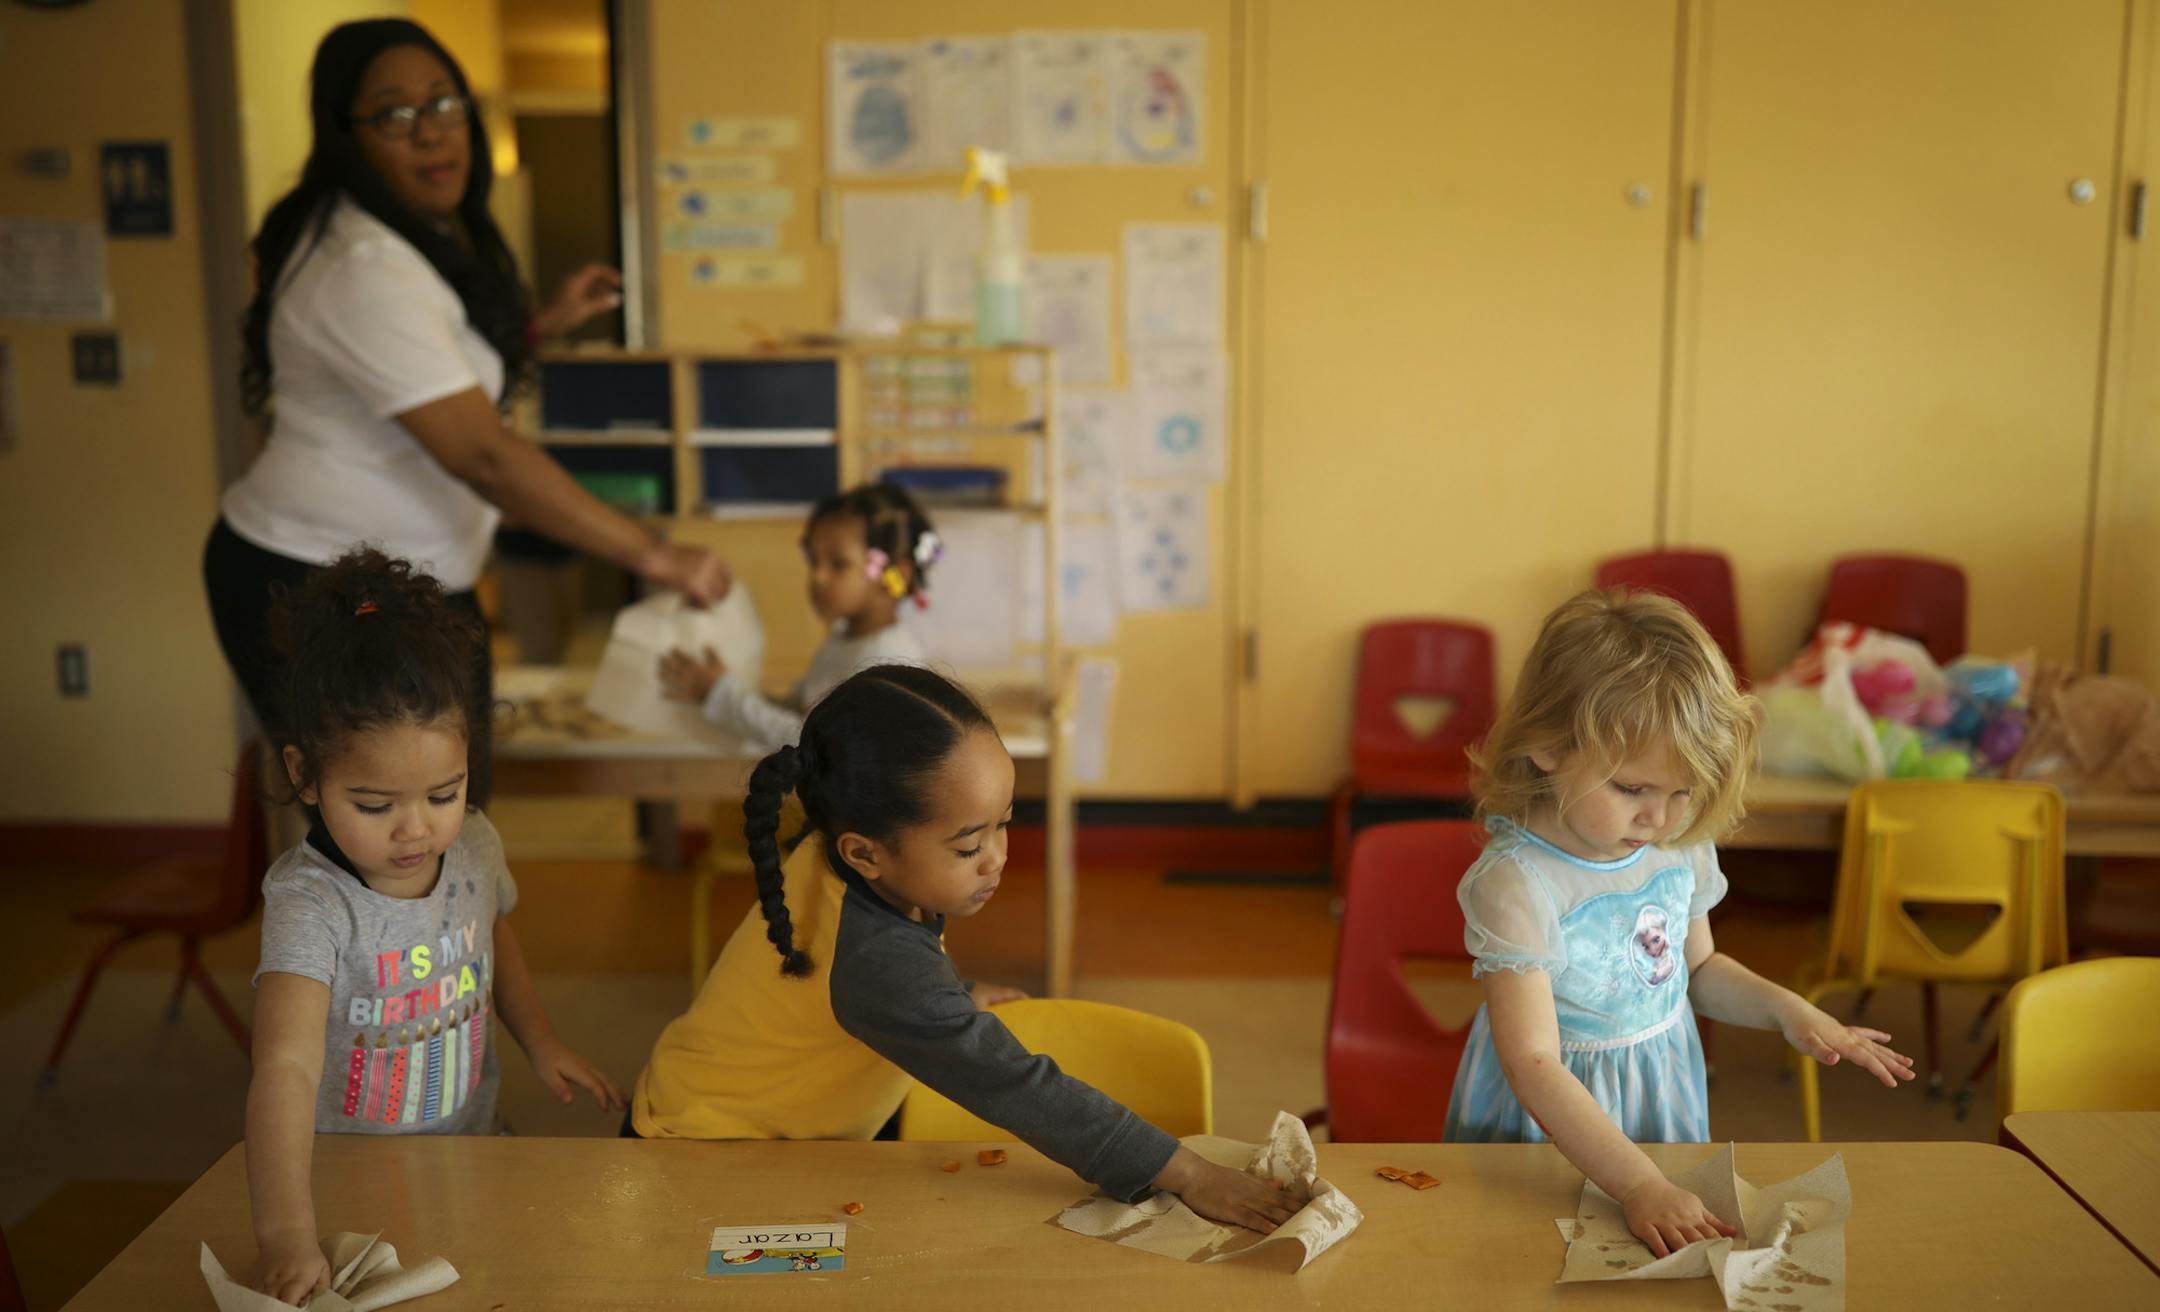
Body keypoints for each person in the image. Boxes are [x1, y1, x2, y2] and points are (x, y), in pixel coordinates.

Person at [203, 18, 727, 778]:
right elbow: (483, 454)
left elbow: (425, 370)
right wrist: (655, 555)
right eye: (395, 113)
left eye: (444, 104)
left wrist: (540, 324)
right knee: (392, 833)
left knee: (445, 818)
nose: (430, 133)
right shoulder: (363, 266)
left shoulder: (408, 240)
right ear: (349, 135)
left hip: (410, 583)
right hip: (316, 585)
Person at [629, 665, 1296, 1235]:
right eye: (969, 845)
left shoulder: (841, 843)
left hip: (748, 1116)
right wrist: (1188, 1172)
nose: (998, 860)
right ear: (865, 852)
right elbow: (1016, 1085)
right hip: (710, 1154)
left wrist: (951, 995)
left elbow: (870, 986)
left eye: (1004, 825)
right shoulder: (878, 963)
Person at [1441, 589, 1916, 1256]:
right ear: (1548, 745)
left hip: (1659, 1087)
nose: (1659, 819)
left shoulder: (1677, 841)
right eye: (1632, 790)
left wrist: (1789, 1011)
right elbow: (1532, 1060)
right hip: (1551, 1118)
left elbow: (1699, 969)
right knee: (1526, 1264)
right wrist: (1639, 1184)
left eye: (1682, 792)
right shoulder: (1517, 881)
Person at [244, 549, 621, 1306]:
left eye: (444, 793)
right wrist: (285, 1232)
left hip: (473, 1142)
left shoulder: (475, 842)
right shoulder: (310, 903)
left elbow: (490, 934)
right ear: (305, 775)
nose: (416, 829)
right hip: (349, 1174)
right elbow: (284, 1069)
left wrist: (539, 1038)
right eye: (375, 806)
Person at [657, 483, 935, 752]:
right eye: (813, 561)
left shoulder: (889, 660)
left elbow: (814, 743)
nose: (818, 577)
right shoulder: (840, 642)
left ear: (896, 576)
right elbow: (799, 710)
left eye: (838, 564)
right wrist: (719, 690)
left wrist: (723, 696)